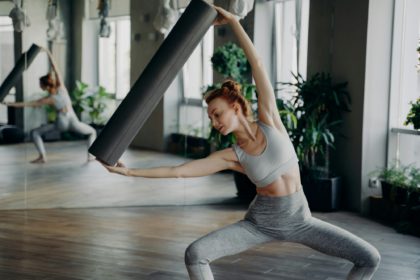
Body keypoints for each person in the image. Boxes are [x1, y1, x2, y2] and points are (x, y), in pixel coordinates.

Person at [102, 6, 380, 280]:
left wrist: (234, 22)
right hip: (259, 224)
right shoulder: (232, 156)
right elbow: (180, 171)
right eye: (210, 117)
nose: (214, 122)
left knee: (369, 258)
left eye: (217, 113)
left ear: (235, 106)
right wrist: (128, 172)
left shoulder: (271, 121)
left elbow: (257, 64)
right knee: (195, 253)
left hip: (301, 222)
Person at [2, 48, 96, 163]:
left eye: (40, 84)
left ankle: (43, 156)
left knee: (34, 133)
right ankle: (90, 156)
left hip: (61, 122)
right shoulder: (62, 89)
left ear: (45, 86)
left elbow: (27, 104)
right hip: (72, 120)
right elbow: (55, 69)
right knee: (92, 132)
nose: (39, 86)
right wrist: (48, 53)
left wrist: (8, 103)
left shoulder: (48, 99)